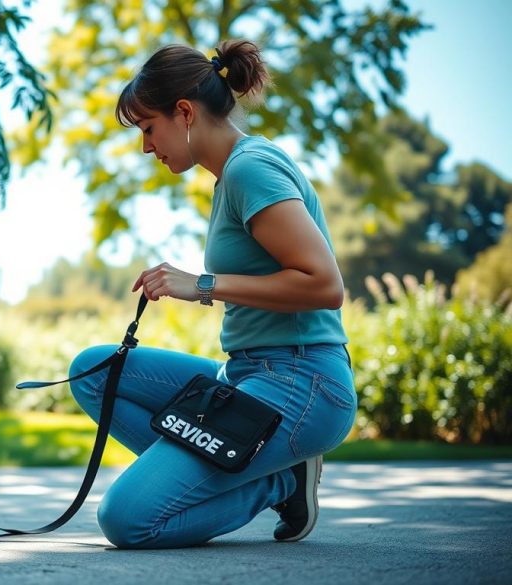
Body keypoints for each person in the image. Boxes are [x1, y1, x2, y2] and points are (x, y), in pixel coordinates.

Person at [69, 39, 357, 549]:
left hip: (301, 382)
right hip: (245, 374)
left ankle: (279, 481)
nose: (145, 147)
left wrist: (199, 285)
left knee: (127, 520)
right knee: (94, 371)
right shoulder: (230, 177)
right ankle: (231, 469)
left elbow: (324, 285)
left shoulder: (251, 169)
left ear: (184, 112)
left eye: (147, 128)